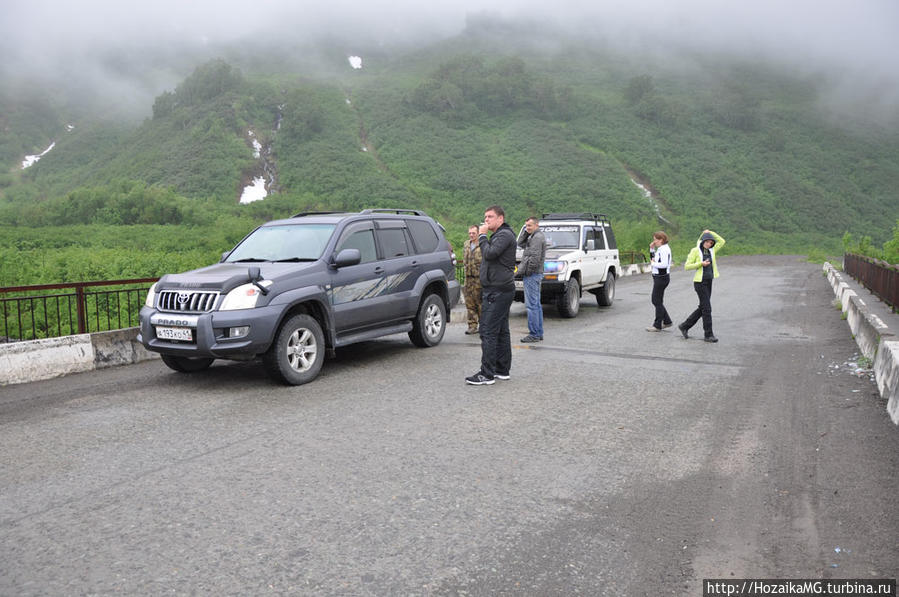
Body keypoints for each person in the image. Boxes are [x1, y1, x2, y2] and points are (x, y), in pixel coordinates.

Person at [466, 205, 517, 385]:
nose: (486, 220)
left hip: (498, 290)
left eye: (490, 217)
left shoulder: (504, 235)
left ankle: (486, 374)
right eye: (485, 217)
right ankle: (501, 369)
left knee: (487, 330)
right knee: (501, 330)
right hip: (497, 289)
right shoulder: (499, 235)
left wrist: (482, 235)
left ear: (500, 219)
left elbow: (489, 253)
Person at [678, 229, 726, 343]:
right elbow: (687, 266)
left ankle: (684, 326)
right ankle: (708, 335)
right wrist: (701, 264)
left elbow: (722, 241)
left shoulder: (712, 251)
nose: (709, 244)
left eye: (711, 242)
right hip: (700, 283)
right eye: (707, 241)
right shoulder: (695, 250)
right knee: (707, 309)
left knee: (703, 308)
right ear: (703, 240)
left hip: (709, 281)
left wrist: (711, 232)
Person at [518, 216, 546, 342]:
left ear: (536, 225)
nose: (528, 228)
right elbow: (519, 243)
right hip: (535, 274)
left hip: (532, 275)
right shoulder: (533, 236)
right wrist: (525, 231)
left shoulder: (537, 238)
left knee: (531, 306)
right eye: (526, 226)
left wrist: (527, 272)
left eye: (530, 225)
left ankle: (534, 333)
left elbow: (534, 257)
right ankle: (538, 333)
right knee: (536, 305)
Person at [646, 231, 673, 332]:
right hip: (659, 277)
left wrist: (653, 264)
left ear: (661, 240)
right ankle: (667, 321)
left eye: (655, 240)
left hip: (661, 277)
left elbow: (664, 264)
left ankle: (657, 325)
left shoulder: (664, 250)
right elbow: (654, 259)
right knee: (658, 301)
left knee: (656, 300)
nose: (654, 242)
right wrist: (651, 249)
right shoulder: (661, 249)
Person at [462, 225, 483, 335]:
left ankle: (483, 325)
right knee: (469, 303)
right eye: (469, 233)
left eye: (473, 233)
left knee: (480, 303)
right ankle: (472, 326)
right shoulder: (466, 244)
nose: (471, 235)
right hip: (468, 279)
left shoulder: (483, 244)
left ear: (478, 233)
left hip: (479, 279)